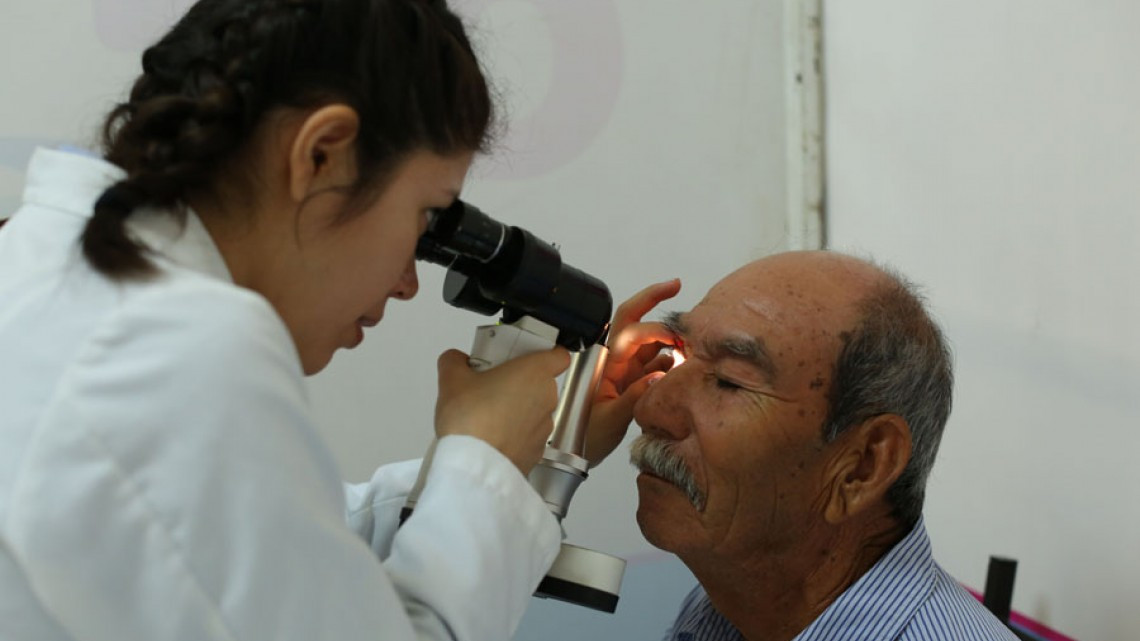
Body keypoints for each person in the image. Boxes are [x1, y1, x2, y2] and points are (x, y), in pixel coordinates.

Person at [0, 1, 663, 639]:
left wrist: (511, 458)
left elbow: (277, 552)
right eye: (424, 218)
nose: (408, 282)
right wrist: (482, 459)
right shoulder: (173, 348)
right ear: (321, 153)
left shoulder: (58, 285)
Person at [591, 251, 1019, 641]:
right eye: (675, 357)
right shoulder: (727, 613)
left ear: (862, 467)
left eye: (729, 380)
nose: (651, 407)